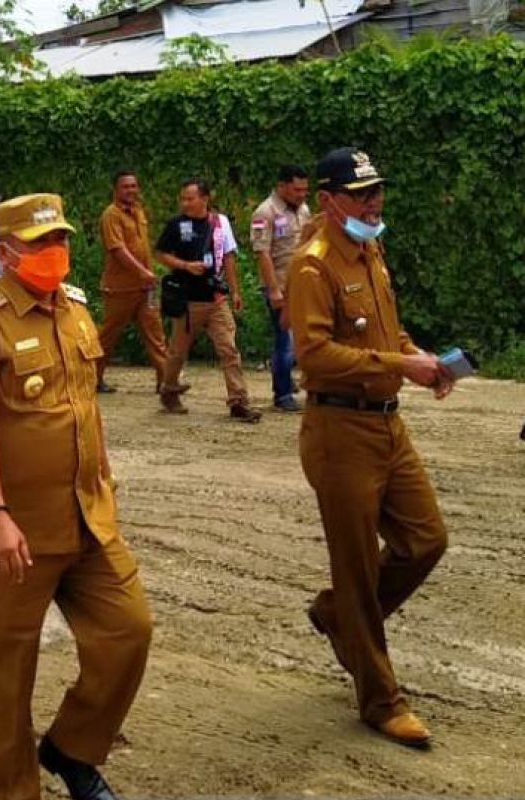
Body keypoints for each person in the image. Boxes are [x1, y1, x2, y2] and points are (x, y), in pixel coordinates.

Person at [0, 193, 152, 800]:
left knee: (128, 631)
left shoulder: (77, 310)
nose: (53, 253)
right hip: (10, 535)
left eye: (58, 240)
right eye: (39, 244)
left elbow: (85, 411)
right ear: (5, 252)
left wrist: (104, 487)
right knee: (4, 683)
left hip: (87, 521)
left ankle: (71, 748)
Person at [289, 148, 450, 748]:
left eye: (376, 188)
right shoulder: (313, 265)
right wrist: (395, 363)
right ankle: (380, 699)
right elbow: (314, 354)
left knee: (426, 539)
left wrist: (423, 361)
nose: (373, 200)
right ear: (330, 201)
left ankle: (339, 618)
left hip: (388, 424)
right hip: (339, 431)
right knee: (357, 571)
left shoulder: (371, 249)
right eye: (360, 193)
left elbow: (388, 330)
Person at [155, 179, 262, 422]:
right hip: (187, 299)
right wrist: (185, 266)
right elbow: (161, 254)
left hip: (215, 298)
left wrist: (234, 291)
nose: (185, 203)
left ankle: (238, 401)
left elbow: (229, 257)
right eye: (182, 198)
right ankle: (169, 390)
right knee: (177, 352)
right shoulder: (176, 224)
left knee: (229, 349)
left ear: (204, 199)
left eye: (190, 198)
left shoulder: (220, 222)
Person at [94, 170, 178, 395]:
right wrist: (141, 271)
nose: (131, 190)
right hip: (120, 289)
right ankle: (92, 378)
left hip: (145, 289)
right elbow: (117, 249)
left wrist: (147, 274)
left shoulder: (138, 211)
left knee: (156, 336)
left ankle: (167, 383)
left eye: (134, 186)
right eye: (126, 186)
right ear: (116, 190)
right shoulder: (111, 215)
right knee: (107, 337)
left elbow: (142, 246)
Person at [251, 165, 312, 411]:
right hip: (280, 286)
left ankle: (289, 379)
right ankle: (282, 394)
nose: (302, 194)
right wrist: (273, 289)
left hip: (303, 285)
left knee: (305, 339)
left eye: (305, 190)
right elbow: (262, 253)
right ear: (282, 186)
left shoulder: (304, 210)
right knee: (284, 341)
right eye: (297, 189)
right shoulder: (264, 213)